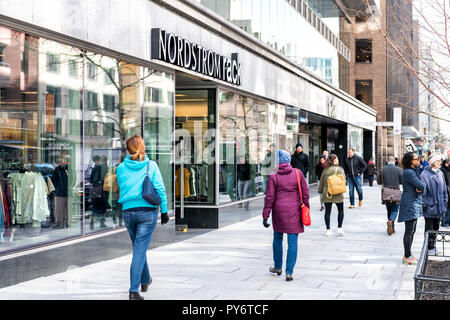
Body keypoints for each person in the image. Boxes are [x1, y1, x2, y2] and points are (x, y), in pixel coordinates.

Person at [116, 134, 169, 300]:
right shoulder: (151, 165)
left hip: (128, 213)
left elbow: (122, 189)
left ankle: (145, 280)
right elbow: (160, 189)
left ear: (128, 149)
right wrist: (165, 210)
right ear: (142, 147)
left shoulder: (120, 168)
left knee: (139, 248)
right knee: (139, 250)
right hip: (147, 213)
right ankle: (133, 290)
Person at [262, 150, 309, 282]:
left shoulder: (273, 176)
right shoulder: (298, 173)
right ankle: (289, 272)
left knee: (277, 238)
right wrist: (307, 209)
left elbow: (269, 198)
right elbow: (305, 193)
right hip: (295, 211)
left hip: (279, 212)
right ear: (288, 160)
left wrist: (265, 215)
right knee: (292, 241)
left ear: (278, 161)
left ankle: (278, 267)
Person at [398, 152, 425, 265]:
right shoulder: (409, 172)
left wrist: (419, 187)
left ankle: (408, 254)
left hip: (412, 202)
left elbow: (420, 186)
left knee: (412, 231)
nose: (419, 160)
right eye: (416, 159)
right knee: (409, 231)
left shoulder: (413, 171)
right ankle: (406, 256)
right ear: (410, 161)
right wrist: (419, 187)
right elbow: (422, 185)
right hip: (410, 204)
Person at [420, 154, 448, 254]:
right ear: (432, 163)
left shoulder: (440, 173)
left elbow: (444, 189)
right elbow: (423, 192)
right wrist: (425, 204)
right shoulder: (424, 174)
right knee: (429, 228)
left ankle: (432, 246)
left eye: (440, 161)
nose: (439, 163)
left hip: (439, 206)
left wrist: (445, 201)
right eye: (437, 161)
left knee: (436, 227)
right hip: (430, 206)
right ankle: (428, 248)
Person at [318, 154, 346, 236]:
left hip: (328, 193)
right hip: (338, 193)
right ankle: (339, 228)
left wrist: (320, 191)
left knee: (327, 212)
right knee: (340, 210)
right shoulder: (340, 169)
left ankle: (328, 229)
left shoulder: (326, 170)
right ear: (334, 160)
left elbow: (321, 182)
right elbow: (344, 180)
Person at [377, 155, 402, 235]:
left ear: (387, 161)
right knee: (395, 209)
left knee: (389, 209)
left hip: (386, 193)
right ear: (394, 161)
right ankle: (391, 221)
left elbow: (378, 182)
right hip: (396, 192)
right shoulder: (399, 169)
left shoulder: (383, 169)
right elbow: (401, 181)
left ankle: (391, 226)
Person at [440, 158, 450, 228]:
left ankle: (446, 221)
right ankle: (445, 222)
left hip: (447, 189)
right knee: (446, 207)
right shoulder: (443, 170)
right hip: (446, 190)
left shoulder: (446, 170)